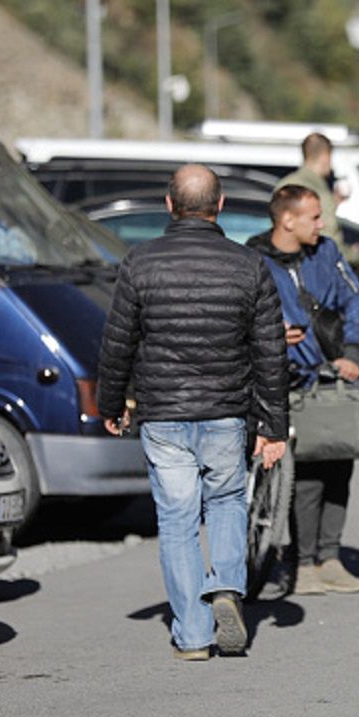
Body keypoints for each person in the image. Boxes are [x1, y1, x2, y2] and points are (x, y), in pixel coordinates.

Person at [97, 164, 289, 661]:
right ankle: (225, 584)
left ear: (168, 205)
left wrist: (111, 403)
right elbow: (270, 350)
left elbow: (117, 344)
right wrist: (274, 424)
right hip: (227, 410)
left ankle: (193, 634)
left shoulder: (139, 263)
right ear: (220, 205)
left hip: (162, 413)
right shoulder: (248, 265)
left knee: (178, 519)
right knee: (226, 502)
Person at [248, 185, 359, 596]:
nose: (322, 225)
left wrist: (353, 351)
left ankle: (330, 556)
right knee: (305, 472)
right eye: (314, 217)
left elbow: (356, 302)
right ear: (288, 219)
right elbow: (242, 314)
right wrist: (270, 338)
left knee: (339, 459)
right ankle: (300, 563)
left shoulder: (327, 254)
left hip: (331, 373)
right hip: (284, 379)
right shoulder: (254, 260)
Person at [275, 133, 344, 250]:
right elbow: (329, 235)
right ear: (326, 156)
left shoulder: (285, 183)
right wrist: (355, 257)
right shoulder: (317, 189)